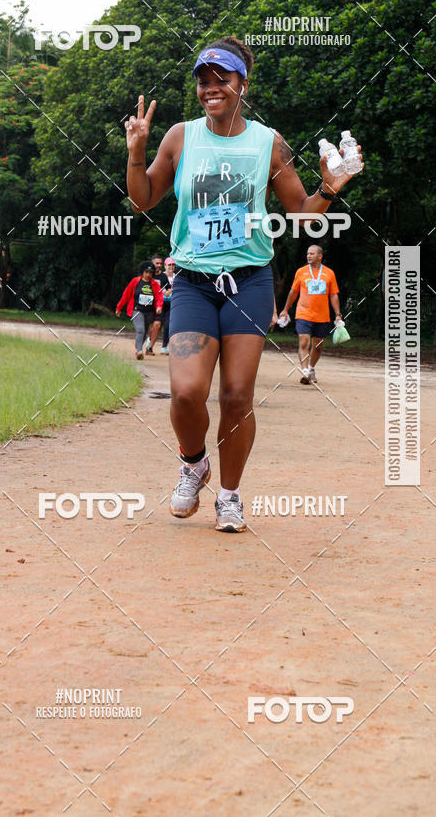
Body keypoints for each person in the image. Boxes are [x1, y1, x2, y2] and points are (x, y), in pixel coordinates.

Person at [124, 35, 363, 531]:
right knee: (187, 393)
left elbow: (301, 214)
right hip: (192, 282)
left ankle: (228, 496)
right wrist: (137, 151)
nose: (211, 88)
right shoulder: (180, 137)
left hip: (249, 282)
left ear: (242, 84)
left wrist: (328, 189)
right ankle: (194, 463)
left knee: (236, 394)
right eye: (203, 80)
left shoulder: (267, 142)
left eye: (222, 79)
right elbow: (143, 199)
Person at [278, 244, 343, 385]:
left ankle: (311, 368)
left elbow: (333, 295)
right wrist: (285, 309)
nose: (308, 256)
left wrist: (338, 314)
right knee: (304, 341)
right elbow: (293, 292)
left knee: (318, 346)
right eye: (308, 253)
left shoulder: (329, 273)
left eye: (312, 254)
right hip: (303, 313)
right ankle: (304, 371)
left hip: (322, 316)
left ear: (320, 256)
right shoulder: (301, 272)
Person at [115, 261, 163, 359]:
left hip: (149, 312)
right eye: (146, 272)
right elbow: (126, 294)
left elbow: (159, 297)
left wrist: (159, 306)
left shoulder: (154, 284)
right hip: (137, 310)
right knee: (140, 330)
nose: (148, 275)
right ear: (142, 272)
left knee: (144, 332)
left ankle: (138, 345)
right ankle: (139, 351)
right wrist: (119, 307)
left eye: (150, 273)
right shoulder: (135, 281)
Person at [145, 253, 169, 354]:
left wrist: (166, 292)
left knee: (158, 325)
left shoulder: (163, 277)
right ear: (152, 263)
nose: (159, 265)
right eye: (157, 263)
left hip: (159, 305)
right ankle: (148, 338)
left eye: (160, 263)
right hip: (146, 304)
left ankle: (150, 348)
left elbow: (168, 290)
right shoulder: (146, 273)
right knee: (145, 326)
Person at [160, 257, 175, 354]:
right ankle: (150, 339)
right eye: (169, 264)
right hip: (160, 303)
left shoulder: (177, 277)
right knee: (157, 324)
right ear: (165, 266)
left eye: (173, 265)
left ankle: (164, 346)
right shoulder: (161, 276)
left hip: (171, 303)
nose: (171, 266)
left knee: (167, 325)